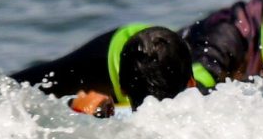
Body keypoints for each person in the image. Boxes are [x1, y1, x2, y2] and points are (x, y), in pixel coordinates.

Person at [10, 23, 194, 117]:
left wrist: (96, 111)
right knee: (19, 85)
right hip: (108, 57)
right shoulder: (203, 102)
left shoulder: (200, 98)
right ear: (191, 83)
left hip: (150, 50)